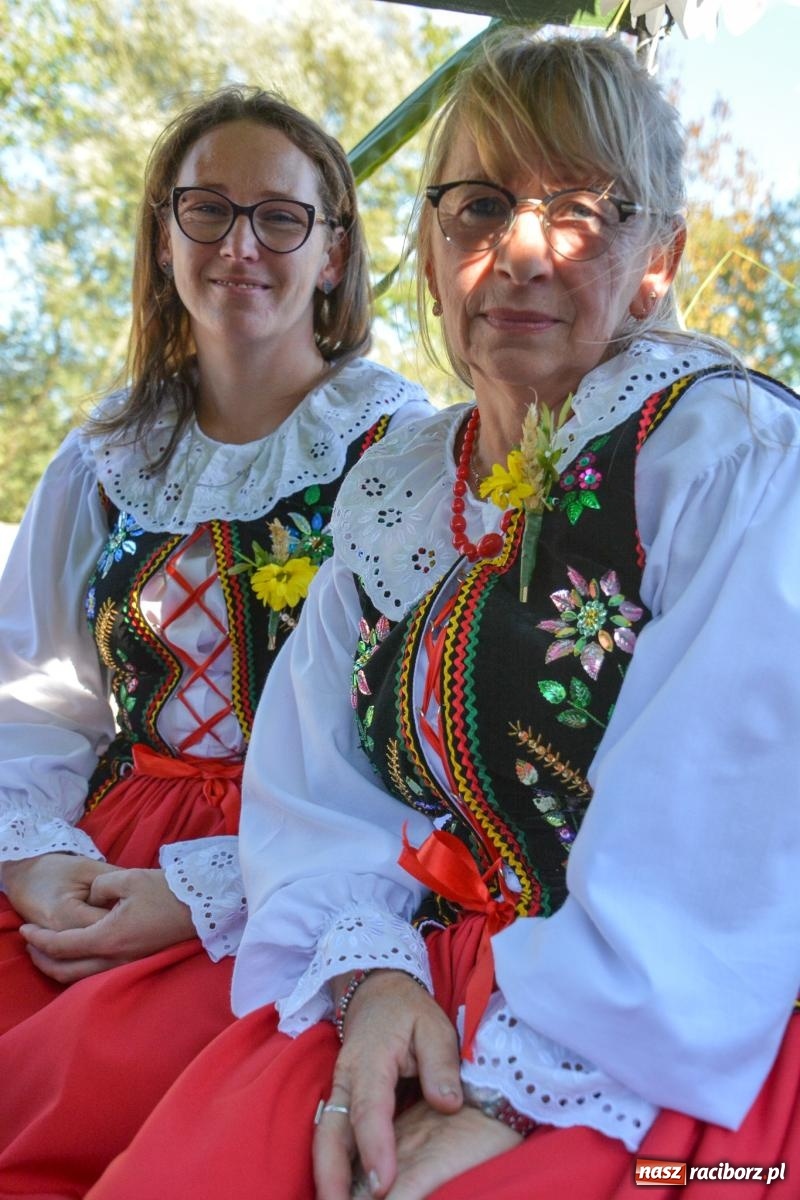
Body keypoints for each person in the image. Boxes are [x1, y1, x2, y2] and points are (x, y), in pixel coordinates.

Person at [85, 29, 799, 1200]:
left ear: (656, 258)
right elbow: (315, 783)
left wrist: (515, 1092)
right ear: (426, 246)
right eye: (478, 206)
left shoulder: (721, 455)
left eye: (579, 211)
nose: (518, 252)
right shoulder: (401, 485)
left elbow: (722, 820)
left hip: (655, 1038)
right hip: (418, 991)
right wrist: (373, 980)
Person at [0, 85, 430, 1193]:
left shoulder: (402, 452)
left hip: (301, 870)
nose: (241, 246)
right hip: (100, 850)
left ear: (333, 255)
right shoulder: (105, 455)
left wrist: (204, 891)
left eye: (280, 217)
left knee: (108, 1094)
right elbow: (36, 694)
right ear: (163, 236)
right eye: (208, 209)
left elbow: (420, 747)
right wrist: (40, 862)